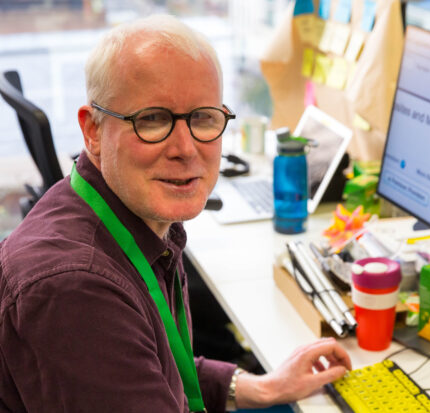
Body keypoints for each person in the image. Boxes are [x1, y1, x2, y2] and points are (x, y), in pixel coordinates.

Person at [0, 14, 351, 413]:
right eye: (153, 119)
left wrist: (261, 387)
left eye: (202, 117)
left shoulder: (135, 218)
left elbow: (149, 363)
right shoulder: (75, 291)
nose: (185, 148)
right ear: (93, 131)